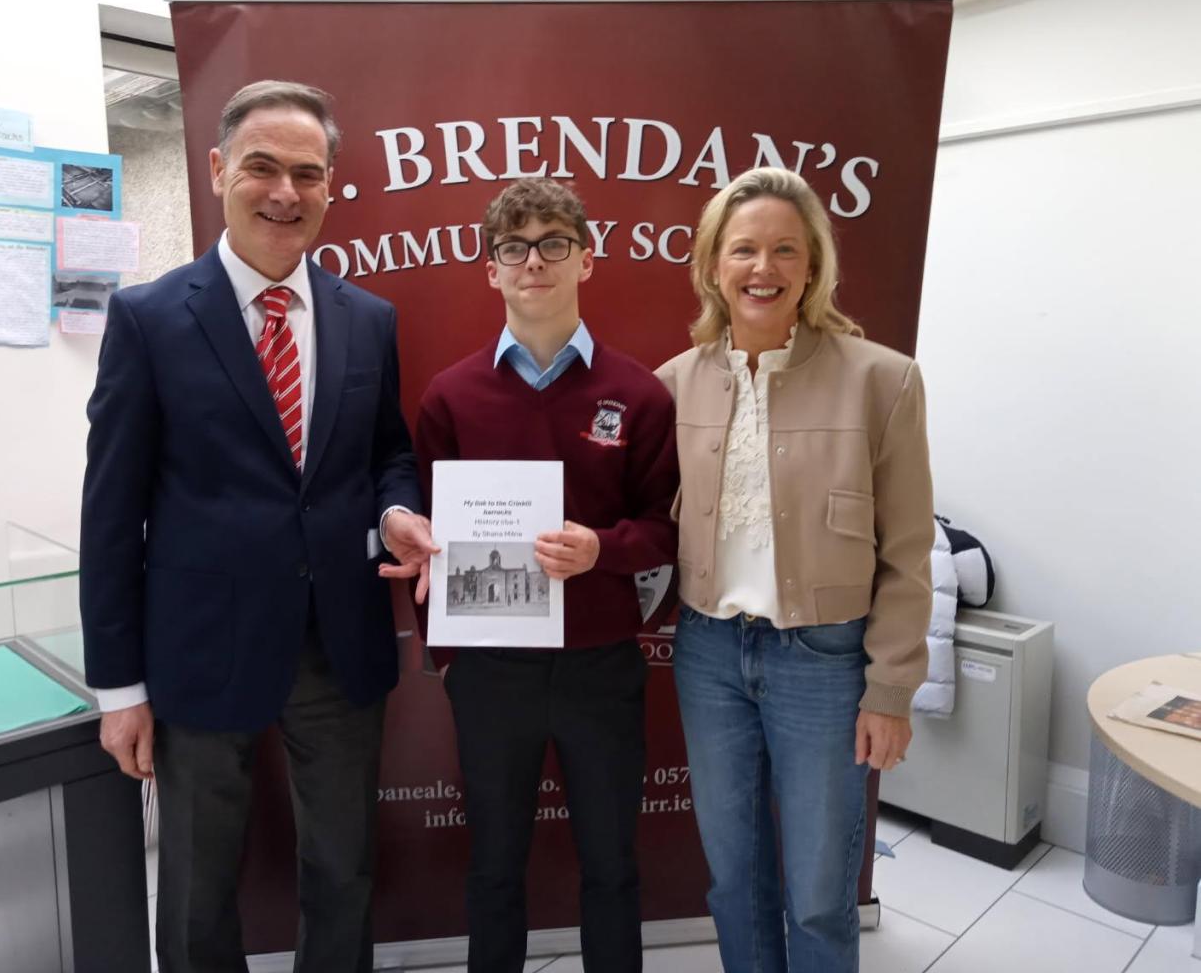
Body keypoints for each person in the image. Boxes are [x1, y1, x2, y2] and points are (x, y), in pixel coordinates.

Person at [80, 79, 438, 973]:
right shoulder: (149, 318)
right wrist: (118, 690)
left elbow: (387, 452)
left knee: (343, 867)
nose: (285, 192)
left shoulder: (368, 319)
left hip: (337, 642)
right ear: (217, 170)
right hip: (200, 646)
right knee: (196, 881)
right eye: (261, 168)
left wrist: (396, 510)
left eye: (307, 173)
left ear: (331, 185)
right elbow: (111, 513)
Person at [389, 178, 678, 972]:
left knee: (612, 865)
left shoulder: (638, 394)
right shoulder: (450, 396)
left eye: (554, 243)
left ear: (585, 259)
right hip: (490, 671)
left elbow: (665, 530)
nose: (534, 262)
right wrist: (447, 648)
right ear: (491, 270)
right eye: (514, 248)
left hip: (601, 667)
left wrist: (601, 550)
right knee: (492, 865)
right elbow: (427, 534)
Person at [655, 167, 933, 973]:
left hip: (824, 661)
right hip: (708, 654)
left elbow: (907, 551)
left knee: (817, 890)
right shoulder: (671, 385)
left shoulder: (881, 380)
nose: (762, 268)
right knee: (732, 879)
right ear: (713, 265)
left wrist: (890, 690)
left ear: (812, 266)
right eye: (743, 249)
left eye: (785, 249)